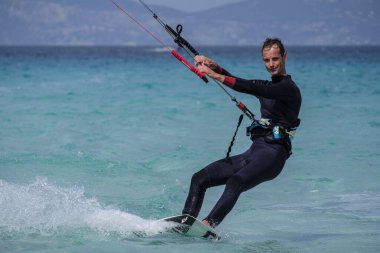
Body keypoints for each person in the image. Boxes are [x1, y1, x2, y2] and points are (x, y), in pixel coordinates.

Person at [182, 38, 302, 228]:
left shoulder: (289, 89)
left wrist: (214, 74)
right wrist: (215, 66)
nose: (271, 64)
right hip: (254, 152)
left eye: (275, 59)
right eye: (266, 60)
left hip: (273, 156)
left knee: (235, 182)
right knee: (199, 178)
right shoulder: (268, 87)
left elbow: (251, 87)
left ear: (284, 57)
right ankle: (185, 224)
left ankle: (207, 225)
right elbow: (243, 83)